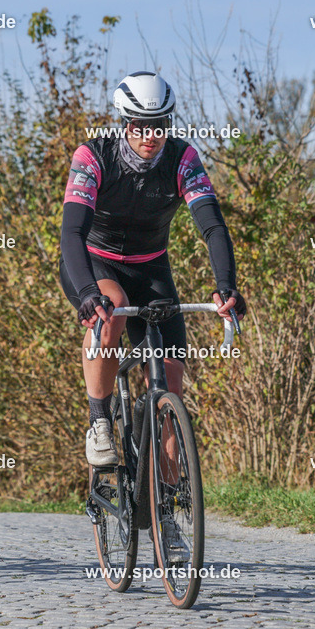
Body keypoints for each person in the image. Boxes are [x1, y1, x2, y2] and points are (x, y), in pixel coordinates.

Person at [58, 71, 247, 468]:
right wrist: (88, 294)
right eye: (141, 126)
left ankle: (171, 503)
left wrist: (225, 286)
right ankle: (100, 424)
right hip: (94, 262)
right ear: (125, 123)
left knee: (172, 382)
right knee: (112, 306)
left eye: (160, 125)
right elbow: (72, 232)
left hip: (151, 269)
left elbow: (212, 226)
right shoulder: (92, 157)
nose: (151, 135)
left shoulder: (183, 159)